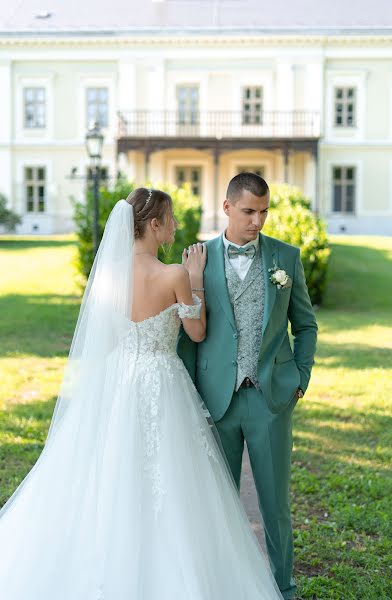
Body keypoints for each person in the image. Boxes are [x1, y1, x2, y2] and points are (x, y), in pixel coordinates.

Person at [0, 187, 283, 599]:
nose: (173, 226)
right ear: (153, 225)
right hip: (160, 380)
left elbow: (108, 333)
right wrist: (198, 280)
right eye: (169, 220)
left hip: (114, 380)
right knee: (170, 475)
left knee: (107, 465)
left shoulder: (109, 276)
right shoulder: (175, 275)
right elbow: (197, 332)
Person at [178, 172, 318, 600]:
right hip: (217, 400)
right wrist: (191, 395)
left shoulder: (286, 257)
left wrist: (301, 377)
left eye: (263, 212)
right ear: (226, 208)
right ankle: (218, 585)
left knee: (275, 507)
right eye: (248, 212)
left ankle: (284, 587)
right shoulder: (197, 257)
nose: (257, 221)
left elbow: (306, 325)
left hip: (271, 398)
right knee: (216, 503)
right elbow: (187, 335)